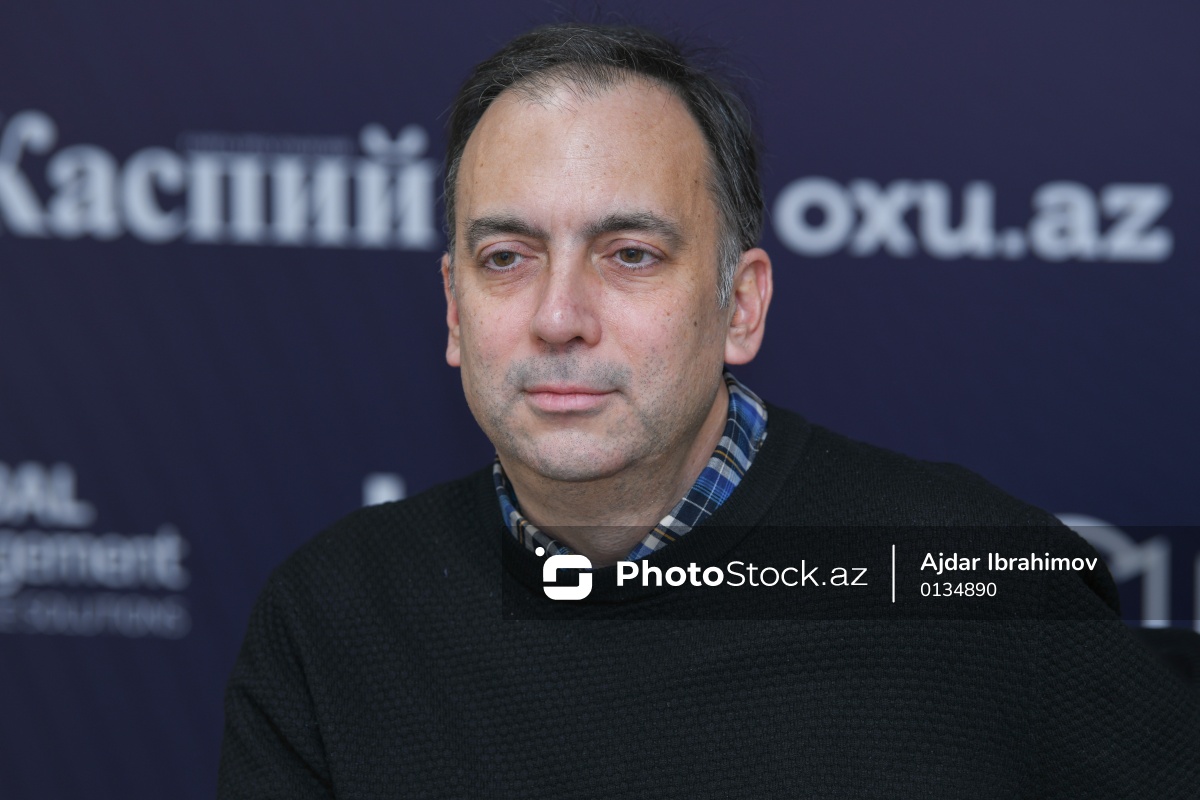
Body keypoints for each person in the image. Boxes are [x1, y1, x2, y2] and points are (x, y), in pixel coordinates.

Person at [218, 22, 1199, 798]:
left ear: (741, 305)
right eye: (506, 258)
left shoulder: (978, 582)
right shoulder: (330, 618)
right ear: (453, 309)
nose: (558, 317)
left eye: (630, 255)